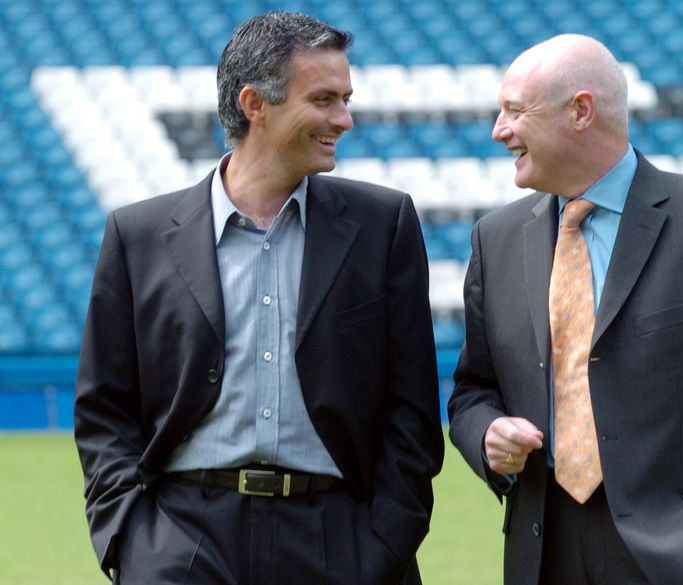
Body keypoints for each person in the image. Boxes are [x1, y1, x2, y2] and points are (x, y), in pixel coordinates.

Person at [75, 11, 443, 585]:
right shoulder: (137, 236)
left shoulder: (383, 225)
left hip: (338, 542)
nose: (343, 118)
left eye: (345, 98)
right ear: (255, 104)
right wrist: (131, 542)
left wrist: (383, 543)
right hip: (182, 542)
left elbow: (412, 411)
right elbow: (105, 410)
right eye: (324, 99)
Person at [448, 34, 683, 585]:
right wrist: (486, 433)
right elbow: (473, 390)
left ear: (581, 111)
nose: (499, 131)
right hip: (541, 554)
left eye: (515, 112)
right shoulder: (494, 240)